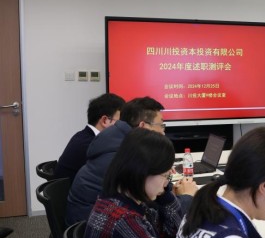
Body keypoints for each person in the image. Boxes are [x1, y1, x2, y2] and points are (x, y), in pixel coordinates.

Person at [66, 96, 196, 226]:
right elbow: (158, 212)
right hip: (98, 228)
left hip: (90, 222)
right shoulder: (124, 156)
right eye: (161, 125)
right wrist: (187, 197)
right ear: (143, 126)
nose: (163, 133)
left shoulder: (113, 139)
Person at [55, 93, 125, 182]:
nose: (123, 126)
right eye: (121, 121)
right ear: (105, 120)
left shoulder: (82, 135)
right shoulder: (93, 146)